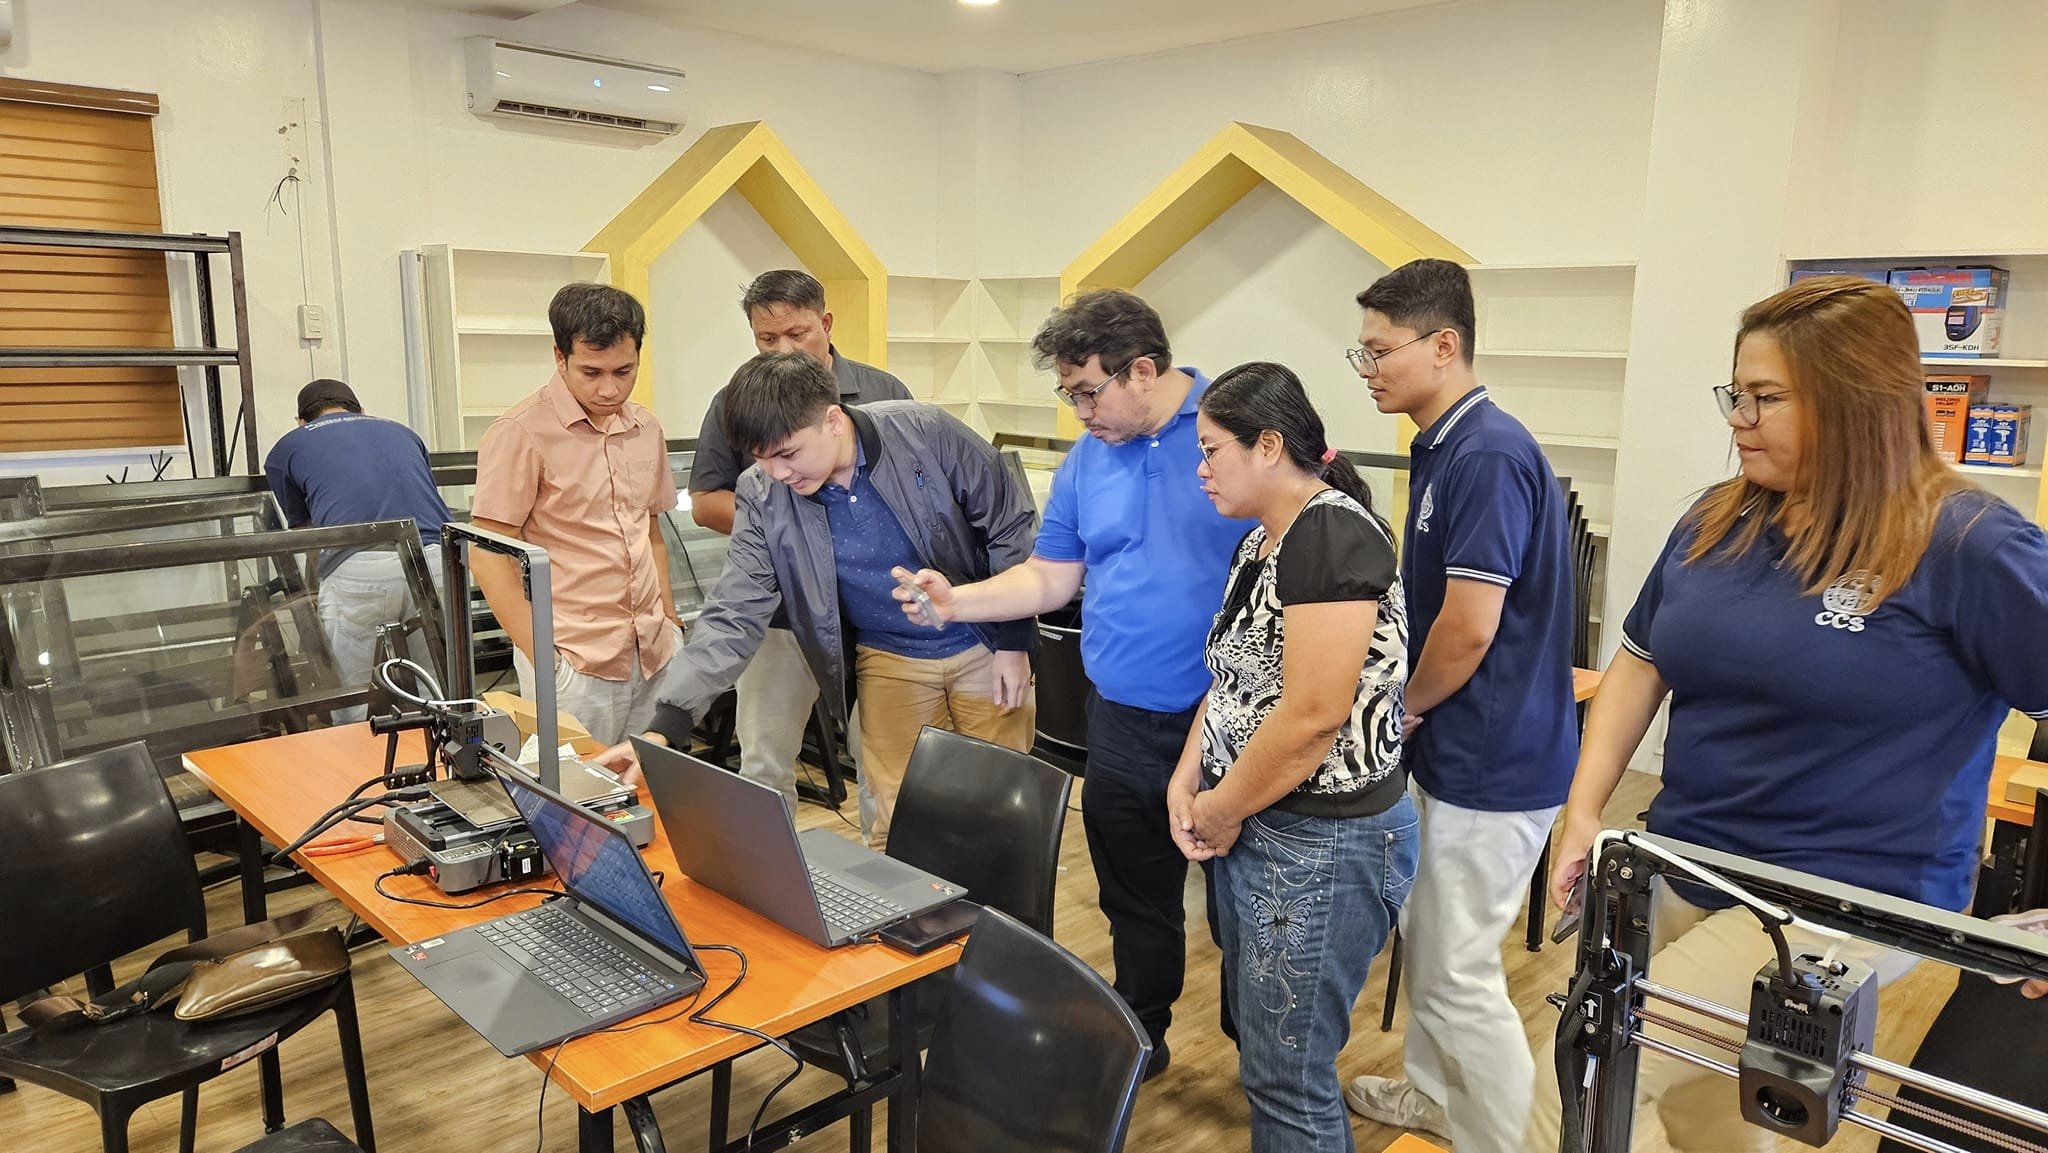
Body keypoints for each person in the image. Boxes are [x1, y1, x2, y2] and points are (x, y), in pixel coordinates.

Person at [1528, 275, 2048, 1153]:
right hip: (1691, 863)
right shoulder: (1717, 519)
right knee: (1710, 1125)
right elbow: (1643, 660)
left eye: (1765, 397)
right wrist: (1584, 810)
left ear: (1857, 403)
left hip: (1843, 905)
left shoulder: (1969, 544)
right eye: (1736, 393)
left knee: (1580, 1073)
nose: (1739, 418)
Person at [893, 289, 1253, 1080]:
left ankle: (1260, 1055)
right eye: (1069, 394)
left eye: (1088, 391)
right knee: (1133, 896)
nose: (1080, 412)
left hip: (1227, 723)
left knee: (1242, 904)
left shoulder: (1232, 430)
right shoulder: (1091, 457)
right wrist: (958, 602)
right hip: (1118, 717)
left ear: (1143, 371)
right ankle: (1142, 1033)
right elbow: (1051, 575)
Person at [597, 351, 1037, 848]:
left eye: (788, 454)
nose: (778, 472)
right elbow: (733, 613)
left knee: (996, 812)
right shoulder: (761, 492)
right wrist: (665, 725)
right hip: (889, 657)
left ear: (832, 420)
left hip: (983, 642)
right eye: (762, 458)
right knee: (900, 821)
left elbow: (1011, 528)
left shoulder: (926, 432)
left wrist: (1013, 641)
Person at [1340, 259, 1579, 1153]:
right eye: (1362, 353)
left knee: (1456, 975)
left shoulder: (1486, 452)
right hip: (1463, 746)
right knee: (1432, 944)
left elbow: (1471, 625)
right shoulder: (1443, 444)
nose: (1368, 370)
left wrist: (1401, 706)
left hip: (1493, 757)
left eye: (1380, 351)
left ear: (1444, 346)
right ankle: (1438, 1098)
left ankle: (1510, 1141)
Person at [1167, 362, 1419, 1152]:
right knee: (1268, 1053)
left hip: (1320, 840)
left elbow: (1313, 716)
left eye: (1212, 450)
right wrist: (1188, 773)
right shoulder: (1262, 540)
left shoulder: (1330, 532)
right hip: (1263, 821)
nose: (1201, 469)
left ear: (1269, 445)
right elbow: (1235, 681)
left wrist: (1219, 806)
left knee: (1289, 1074)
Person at [687, 270, 912, 808]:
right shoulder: (735, 400)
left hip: (876, 614)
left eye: (798, 334)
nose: (784, 350)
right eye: (767, 339)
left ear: (826, 323)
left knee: (886, 765)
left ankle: (882, 863)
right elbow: (705, 502)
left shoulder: (885, 392)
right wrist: (788, 528)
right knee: (765, 762)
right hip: (779, 612)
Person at [471, 283, 684, 746]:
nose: (610, 388)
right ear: (559, 357)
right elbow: (487, 553)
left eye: (624, 371)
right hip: (574, 658)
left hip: (654, 649)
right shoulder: (521, 431)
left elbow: (650, 530)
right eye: (591, 372)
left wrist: (669, 618)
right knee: (576, 786)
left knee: (652, 781)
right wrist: (543, 657)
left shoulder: (645, 427)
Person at [263, 378, 451, 723]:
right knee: (438, 691)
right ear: (361, 411)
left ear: (301, 421)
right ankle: (442, 751)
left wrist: (312, 592)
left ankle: (356, 751)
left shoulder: (286, 448)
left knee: (352, 694)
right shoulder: (404, 432)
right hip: (435, 560)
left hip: (359, 568)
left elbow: (306, 534)